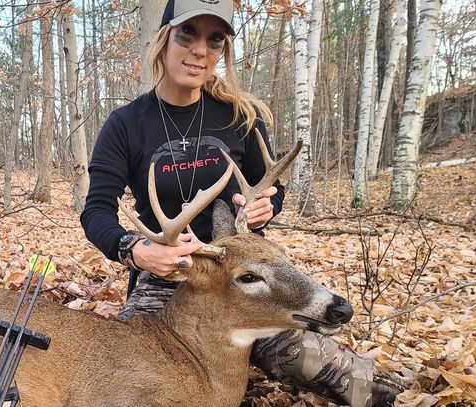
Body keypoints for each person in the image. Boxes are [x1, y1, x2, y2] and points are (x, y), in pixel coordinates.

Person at [79, 0, 406, 405]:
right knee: (123, 378)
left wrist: (267, 205)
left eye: (214, 40)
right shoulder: (126, 124)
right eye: (187, 34)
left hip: (249, 277)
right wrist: (136, 249)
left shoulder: (240, 116)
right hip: (172, 277)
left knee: (347, 381)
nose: (200, 50)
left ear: (223, 50)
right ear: (164, 39)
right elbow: (96, 211)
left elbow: (272, 190)